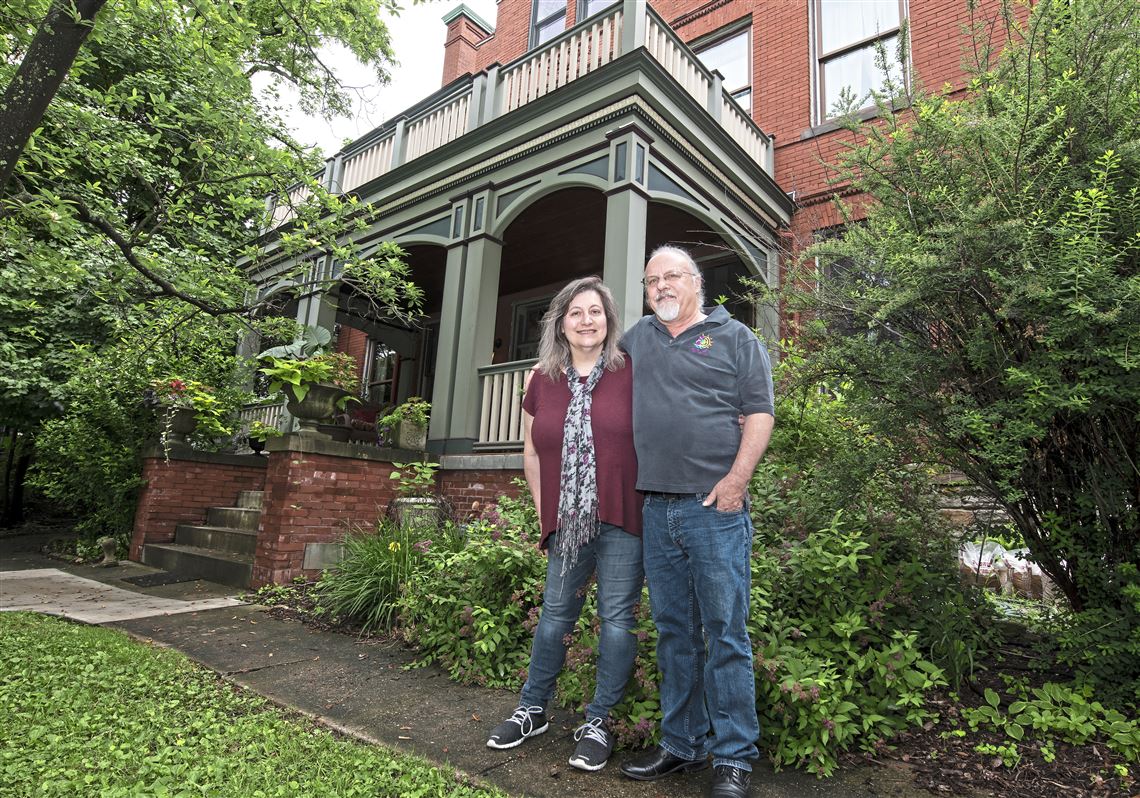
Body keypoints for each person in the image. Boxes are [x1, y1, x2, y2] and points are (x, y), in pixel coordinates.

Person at [618, 246, 775, 798]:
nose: (660, 287)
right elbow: (587, 355)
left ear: (696, 283)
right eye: (650, 280)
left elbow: (759, 411)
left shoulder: (736, 339)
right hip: (656, 507)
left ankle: (733, 757)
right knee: (674, 633)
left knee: (725, 632)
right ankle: (682, 744)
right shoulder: (638, 337)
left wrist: (736, 482)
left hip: (714, 509)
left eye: (671, 277)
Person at [486, 276, 643, 773]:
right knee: (555, 617)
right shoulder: (540, 380)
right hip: (566, 521)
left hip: (620, 514)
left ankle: (599, 722)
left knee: (617, 621)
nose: (586, 320)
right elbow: (532, 452)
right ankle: (533, 710)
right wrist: (543, 509)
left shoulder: (630, 372)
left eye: (595, 311)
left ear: (609, 320)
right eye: (576, 312)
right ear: (561, 322)